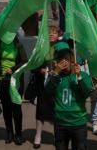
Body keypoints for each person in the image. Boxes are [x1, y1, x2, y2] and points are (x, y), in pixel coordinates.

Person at [25, 21, 69, 149]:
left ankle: (57, 136)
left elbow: (67, 64)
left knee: (56, 110)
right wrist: (41, 70)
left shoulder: (62, 47)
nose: (51, 35)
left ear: (58, 35)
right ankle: (37, 136)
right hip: (42, 85)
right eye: (49, 33)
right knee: (41, 111)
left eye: (54, 33)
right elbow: (33, 65)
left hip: (57, 84)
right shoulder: (41, 47)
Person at [46, 48, 92, 150]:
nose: (64, 65)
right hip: (60, 124)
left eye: (66, 62)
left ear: (72, 62)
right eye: (61, 62)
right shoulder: (55, 76)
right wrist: (56, 73)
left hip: (78, 123)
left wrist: (79, 76)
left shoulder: (82, 75)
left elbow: (86, 94)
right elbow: (48, 91)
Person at [0, 36, 27, 145]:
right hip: (2, 80)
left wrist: (12, 70)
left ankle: (18, 134)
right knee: (6, 107)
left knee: (16, 108)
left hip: (15, 80)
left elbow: (24, 62)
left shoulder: (18, 45)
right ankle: (9, 133)